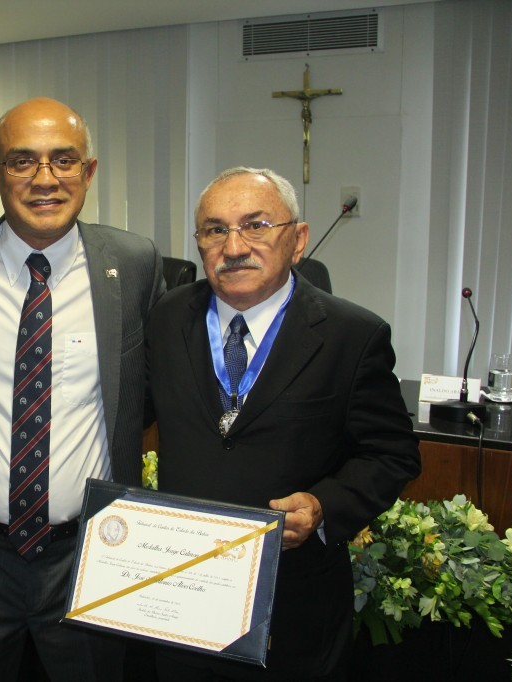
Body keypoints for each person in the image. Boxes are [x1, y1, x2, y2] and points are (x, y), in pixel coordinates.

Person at [0, 97, 166, 681]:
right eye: (23, 161)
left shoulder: (133, 262)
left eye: (64, 160)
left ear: (90, 171)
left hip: (88, 550)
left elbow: (147, 394)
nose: (45, 179)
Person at [145, 166, 421, 681]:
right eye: (215, 230)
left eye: (256, 225)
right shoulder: (166, 317)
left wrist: (323, 506)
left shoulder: (351, 335)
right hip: (180, 594)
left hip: (294, 605)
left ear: (297, 239)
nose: (234, 246)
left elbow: (391, 454)